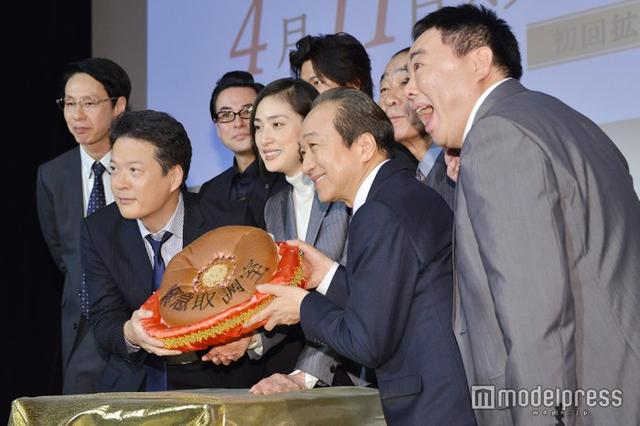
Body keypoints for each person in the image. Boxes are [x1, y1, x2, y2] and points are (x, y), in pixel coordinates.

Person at [407, 4, 640, 425]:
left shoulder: (498, 136)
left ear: (479, 60)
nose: (409, 89)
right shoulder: (568, 121)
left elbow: (536, 319)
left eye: (419, 66)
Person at [247, 89, 475, 425]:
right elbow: (390, 301)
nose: (307, 165)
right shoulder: (401, 194)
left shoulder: (378, 211)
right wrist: (326, 275)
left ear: (364, 146)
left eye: (314, 147)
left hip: (433, 408)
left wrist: (302, 307)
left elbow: (366, 341)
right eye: (303, 151)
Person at [82, 110, 263, 392]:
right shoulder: (99, 230)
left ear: (174, 176)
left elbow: (259, 301)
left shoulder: (227, 222)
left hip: (215, 374)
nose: (119, 183)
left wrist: (244, 335)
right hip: (137, 379)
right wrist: (129, 333)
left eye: (134, 171)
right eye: (114, 169)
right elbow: (105, 318)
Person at [246, 78, 351, 394]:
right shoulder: (275, 206)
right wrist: (253, 339)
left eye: (277, 124)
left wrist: (306, 375)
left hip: (358, 371)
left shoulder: (343, 192)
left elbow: (349, 297)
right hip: (308, 367)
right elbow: (288, 294)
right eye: (259, 127)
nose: (265, 139)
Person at [36, 57, 130, 394]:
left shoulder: (141, 165)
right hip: (80, 328)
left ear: (118, 105)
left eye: (89, 103)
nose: (77, 115)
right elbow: (63, 254)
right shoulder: (52, 175)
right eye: (69, 103)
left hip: (135, 325)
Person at [199, 71, 284, 229]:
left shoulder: (287, 178)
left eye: (247, 111)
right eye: (226, 114)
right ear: (217, 127)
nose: (238, 123)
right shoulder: (210, 192)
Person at [380, 47, 455, 208]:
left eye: (404, 82)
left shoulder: (459, 160)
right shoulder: (391, 178)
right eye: (384, 89)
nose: (389, 99)